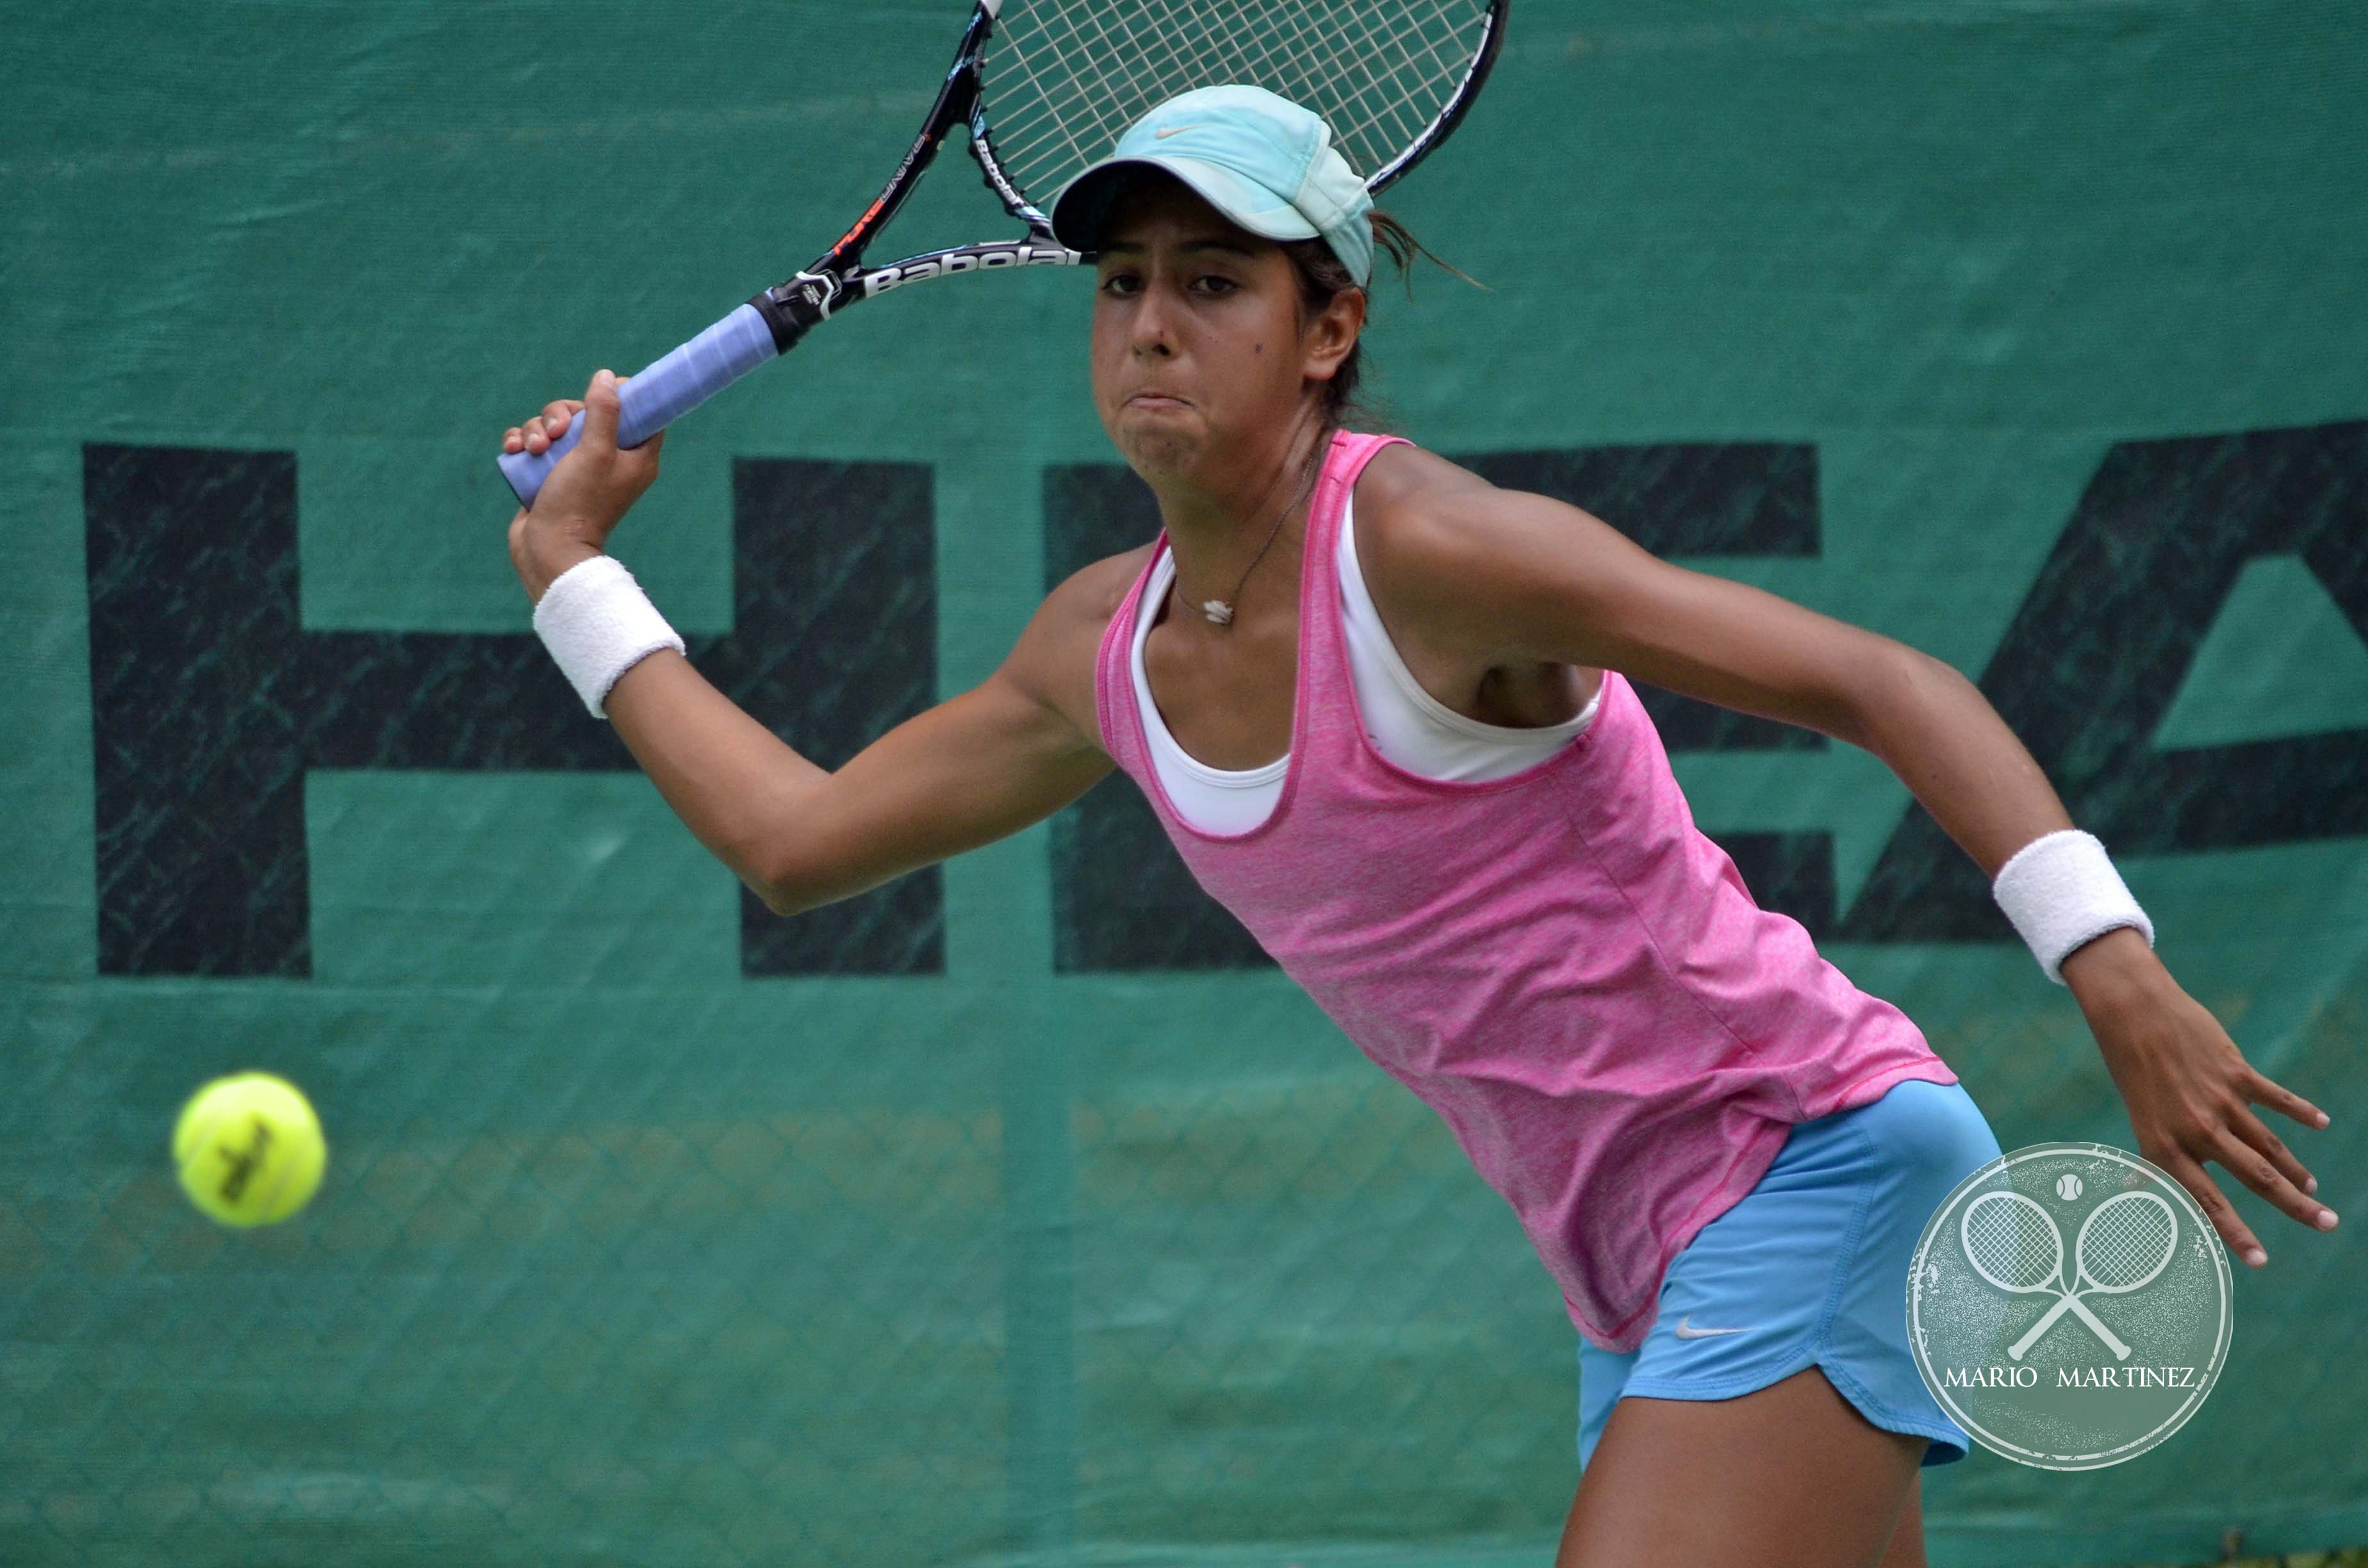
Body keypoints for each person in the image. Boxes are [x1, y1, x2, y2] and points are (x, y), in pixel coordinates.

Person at [499, 85, 2335, 1568]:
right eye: (1123, 280)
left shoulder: (1436, 554)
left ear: (1331, 328)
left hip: (1810, 1166)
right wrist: (574, 572)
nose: (1151, 321)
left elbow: (1884, 682)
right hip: (1634, 1267)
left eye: (1215, 283)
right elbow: (799, 842)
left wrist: (2117, 977)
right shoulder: (1093, 650)